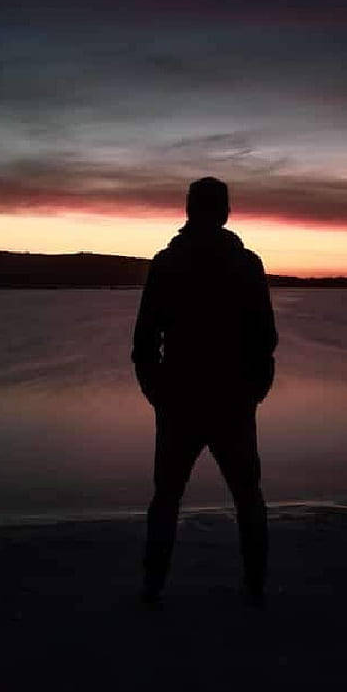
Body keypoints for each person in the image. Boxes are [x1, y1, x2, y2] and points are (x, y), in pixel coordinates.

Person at [132, 177, 278, 606]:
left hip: (188, 398)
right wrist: (255, 386)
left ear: (190, 210)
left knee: (169, 498)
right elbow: (265, 338)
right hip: (222, 399)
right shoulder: (245, 264)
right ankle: (255, 587)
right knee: (246, 496)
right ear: (224, 212)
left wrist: (156, 388)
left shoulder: (168, 263)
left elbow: (144, 342)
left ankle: (153, 587)